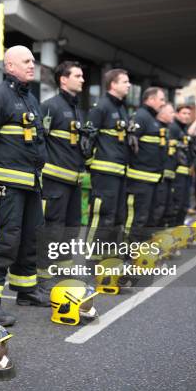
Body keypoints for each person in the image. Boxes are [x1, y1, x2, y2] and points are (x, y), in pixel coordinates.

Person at [0, 45, 48, 327]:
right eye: (26, 61)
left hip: (30, 183)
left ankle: (26, 289)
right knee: (3, 241)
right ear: (10, 66)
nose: (32, 64)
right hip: (5, 184)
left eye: (33, 60)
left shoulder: (30, 98)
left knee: (30, 238)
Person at [37, 61, 86, 291]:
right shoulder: (50, 106)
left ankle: (63, 272)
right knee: (52, 229)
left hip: (74, 182)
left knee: (72, 228)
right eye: (78, 75)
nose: (82, 79)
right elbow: (39, 140)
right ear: (63, 80)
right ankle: (43, 277)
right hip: (54, 181)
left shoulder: (77, 108)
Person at [85, 69, 131, 256]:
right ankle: (91, 263)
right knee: (102, 217)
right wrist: (91, 166)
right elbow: (88, 139)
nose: (128, 85)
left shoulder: (121, 108)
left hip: (120, 172)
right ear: (113, 84)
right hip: (104, 174)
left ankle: (108, 261)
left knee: (117, 218)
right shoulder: (101, 107)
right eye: (125, 81)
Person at [124, 87, 166, 241]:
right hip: (140, 181)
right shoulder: (141, 116)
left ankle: (143, 255)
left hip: (153, 180)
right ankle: (130, 255)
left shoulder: (151, 118)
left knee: (149, 219)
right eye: (161, 99)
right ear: (150, 99)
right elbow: (129, 145)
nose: (163, 103)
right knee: (138, 219)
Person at [149, 102, 176, 227]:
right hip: (159, 177)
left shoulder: (168, 129)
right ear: (162, 114)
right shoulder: (156, 128)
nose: (173, 115)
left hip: (168, 177)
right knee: (157, 210)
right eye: (171, 112)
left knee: (167, 209)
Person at [171, 104, 194, 225]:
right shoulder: (174, 128)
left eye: (189, 114)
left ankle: (178, 234)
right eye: (184, 113)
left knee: (184, 206)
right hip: (177, 174)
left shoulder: (184, 128)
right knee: (177, 206)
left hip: (185, 175)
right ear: (177, 114)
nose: (187, 116)